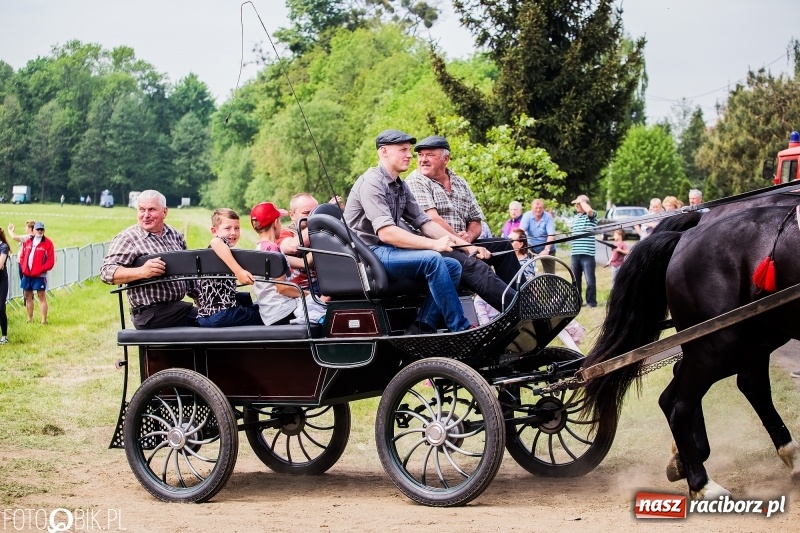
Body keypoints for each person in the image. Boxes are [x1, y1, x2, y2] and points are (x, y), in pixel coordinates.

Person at [344, 129, 478, 334]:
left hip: (387, 251)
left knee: (452, 266)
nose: (409, 155)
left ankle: (422, 326)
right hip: (367, 255)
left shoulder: (400, 185)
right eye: (403, 150)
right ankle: (461, 329)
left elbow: (425, 223)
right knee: (432, 259)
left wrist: (466, 246)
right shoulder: (371, 183)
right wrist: (434, 245)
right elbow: (387, 233)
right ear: (384, 152)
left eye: (409, 150)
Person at [406, 135, 519, 312]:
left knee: (503, 245)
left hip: (463, 243)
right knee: (475, 265)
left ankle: (524, 295)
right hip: (435, 246)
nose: (423, 160)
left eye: (429, 155)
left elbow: (476, 220)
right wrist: (463, 243)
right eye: (420, 155)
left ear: (446, 158)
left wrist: (469, 236)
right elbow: (432, 219)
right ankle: (518, 308)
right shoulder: (416, 180)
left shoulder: (460, 183)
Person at [100, 190, 199, 329]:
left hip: (175, 308)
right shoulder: (128, 238)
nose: (146, 215)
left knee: (216, 316)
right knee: (208, 320)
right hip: (149, 314)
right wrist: (142, 272)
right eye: (141, 210)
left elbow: (188, 276)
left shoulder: (175, 235)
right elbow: (106, 272)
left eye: (151, 210)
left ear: (164, 212)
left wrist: (203, 298)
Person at [250, 201, 319, 325]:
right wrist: (310, 296)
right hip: (283, 311)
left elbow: (304, 263)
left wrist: (320, 242)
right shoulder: (273, 250)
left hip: (270, 312)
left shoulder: (261, 248)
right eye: (280, 221)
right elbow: (283, 288)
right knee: (324, 311)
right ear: (276, 223)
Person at [195, 209, 263, 328]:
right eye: (227, 228)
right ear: (214, 231)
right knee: (268, 314)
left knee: (258, 306)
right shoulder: (218, 245)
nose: (233, 232)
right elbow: (216, 241)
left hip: (205, 317)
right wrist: (239, 271)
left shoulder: (221, 253)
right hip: (223, 313)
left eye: (237, 228)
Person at [277, 193, 319, 292]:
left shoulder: (322, 230)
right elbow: (292, 247)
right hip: (299, 290)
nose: (311, 216)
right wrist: (317, 223)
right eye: (306, 213)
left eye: (315, 212)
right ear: (292, 215)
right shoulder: (285, 233)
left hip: (323, 284)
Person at [19, 222, 55, 324]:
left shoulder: (48, 243)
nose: (39, 231)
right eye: (38, 229)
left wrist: (41, 269)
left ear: (44, 230)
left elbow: (51, 261)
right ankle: (30, 318)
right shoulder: (28, 242)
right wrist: (23, 266)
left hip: (39, 275)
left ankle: (43, 320)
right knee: (27, 296)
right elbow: (22, 255)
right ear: (33, 230)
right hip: (27, 274)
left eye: (41, 229)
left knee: (41, 296)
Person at [570, 194, 597, 307]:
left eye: (579, 203)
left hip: (587, 254)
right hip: (575, 253)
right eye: (576, 204)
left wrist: (582, 202)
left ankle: (591, 302)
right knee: (576, 280)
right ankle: (577, 301)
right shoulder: (576, 217)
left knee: (590, 281)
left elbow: (589, 210)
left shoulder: (592, 215)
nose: (577, 205)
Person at [519, 198, 557, 274]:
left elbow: (551, 234)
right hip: (532, 246)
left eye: (540, 208)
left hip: (547, 246)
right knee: (526, 269)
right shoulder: (527, 216)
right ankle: (528, 284)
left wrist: (546, 249)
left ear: (543, 208)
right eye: (536, 208)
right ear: (532, 208)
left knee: (550, 274)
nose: (538, 210)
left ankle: (550, 285)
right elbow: (521, 231)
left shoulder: (548, 217)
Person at [0, 228, 9, 343]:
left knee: (0, 307)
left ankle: (4, 336)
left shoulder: (3, 246)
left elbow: (0, 264)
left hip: (2, 280)